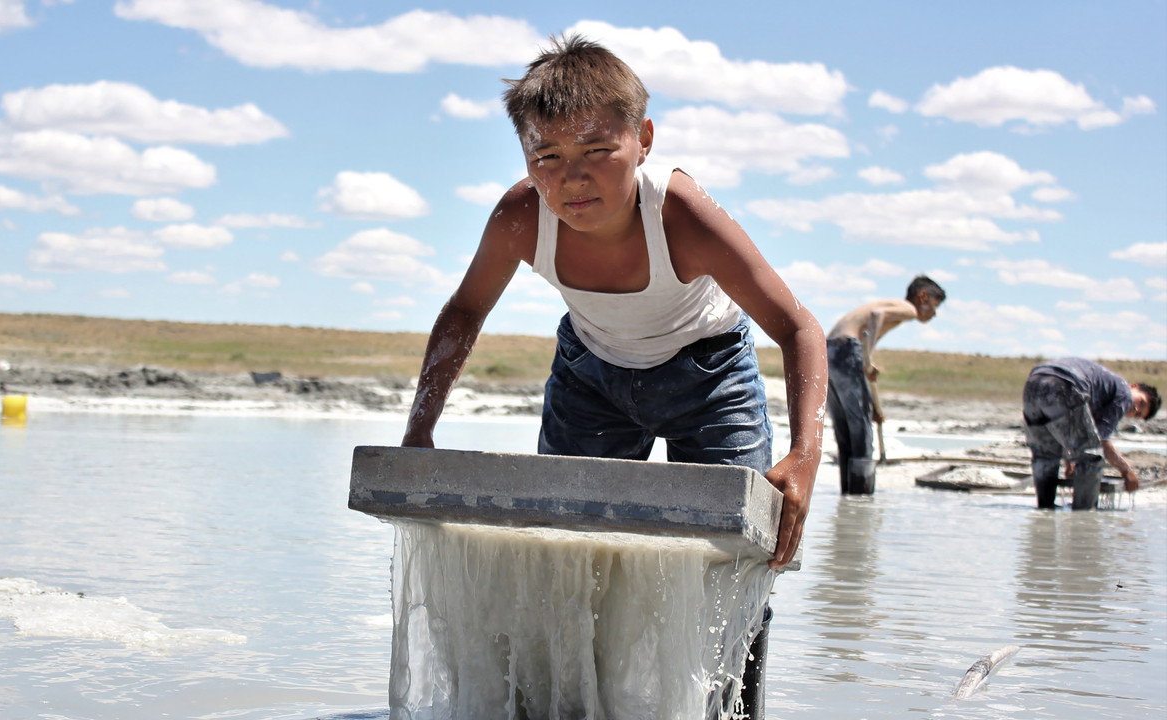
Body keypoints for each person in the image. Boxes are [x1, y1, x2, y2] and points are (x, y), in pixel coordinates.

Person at [400, 34, 826, 716]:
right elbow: (464, 311)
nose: (573, 178)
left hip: (709, 377)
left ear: (644, 138)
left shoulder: (679, 214)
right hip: (591, 376)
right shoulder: (521, 217)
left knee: (740, 566)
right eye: (548, 156)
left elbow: (799, 326)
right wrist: (418, 429)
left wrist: (804, 454)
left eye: (598, 151)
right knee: (564, 561)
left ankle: (735, 712)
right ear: (527, 159)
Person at [824, 275, 945, 494]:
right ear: (923, 297)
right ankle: (861, 496)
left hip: (829, 351)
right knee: (860, 430)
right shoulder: (908, 309)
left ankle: (848, 494)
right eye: (934, 307)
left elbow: (868, 328)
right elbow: (877, 316)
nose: (933, 314)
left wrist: (865, 367)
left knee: (845, 429)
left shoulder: (890, 304)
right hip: (845, 350)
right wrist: (867, 357)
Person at [1022, 358, 1159, 510]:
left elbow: (1067, 431)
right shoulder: (1124, 393)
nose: (1136, 409)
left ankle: (1044, 512)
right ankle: (1083, 516)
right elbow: (1100, 442)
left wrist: (1069, 462)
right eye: (1141, 402)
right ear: (1134, 386)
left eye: (1138, 415)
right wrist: (1126, 471)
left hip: (1034, 384)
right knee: (1093, 458)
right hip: (1064, 383)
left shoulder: (1103, 393)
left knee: (1045, 457)